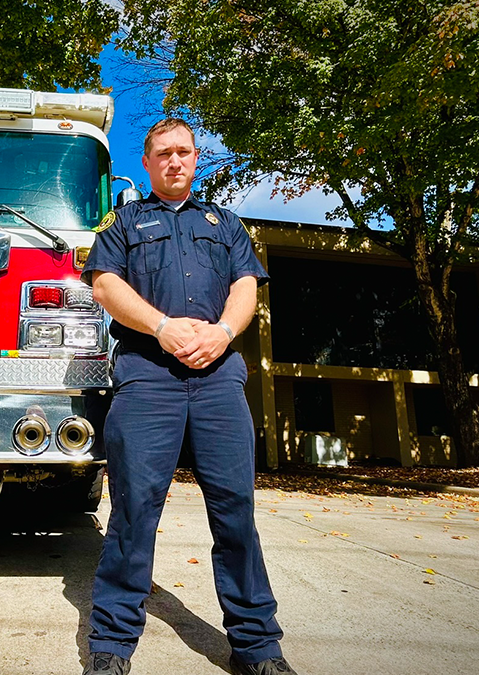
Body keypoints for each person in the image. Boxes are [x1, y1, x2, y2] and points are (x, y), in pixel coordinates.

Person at [80, 118, 297, 675]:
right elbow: (104, 283)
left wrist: (222, 333)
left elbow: (246, 286)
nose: (175, 161)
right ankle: (111, 644)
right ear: (147, 163)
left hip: (218, 376)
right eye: (163, 154)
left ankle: (258, 648)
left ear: (195, 160)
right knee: (133, 510)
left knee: (235, 511)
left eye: (184, 152)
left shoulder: (225, 223)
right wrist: (161, 327)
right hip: (147, 374)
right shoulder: (123, 222)